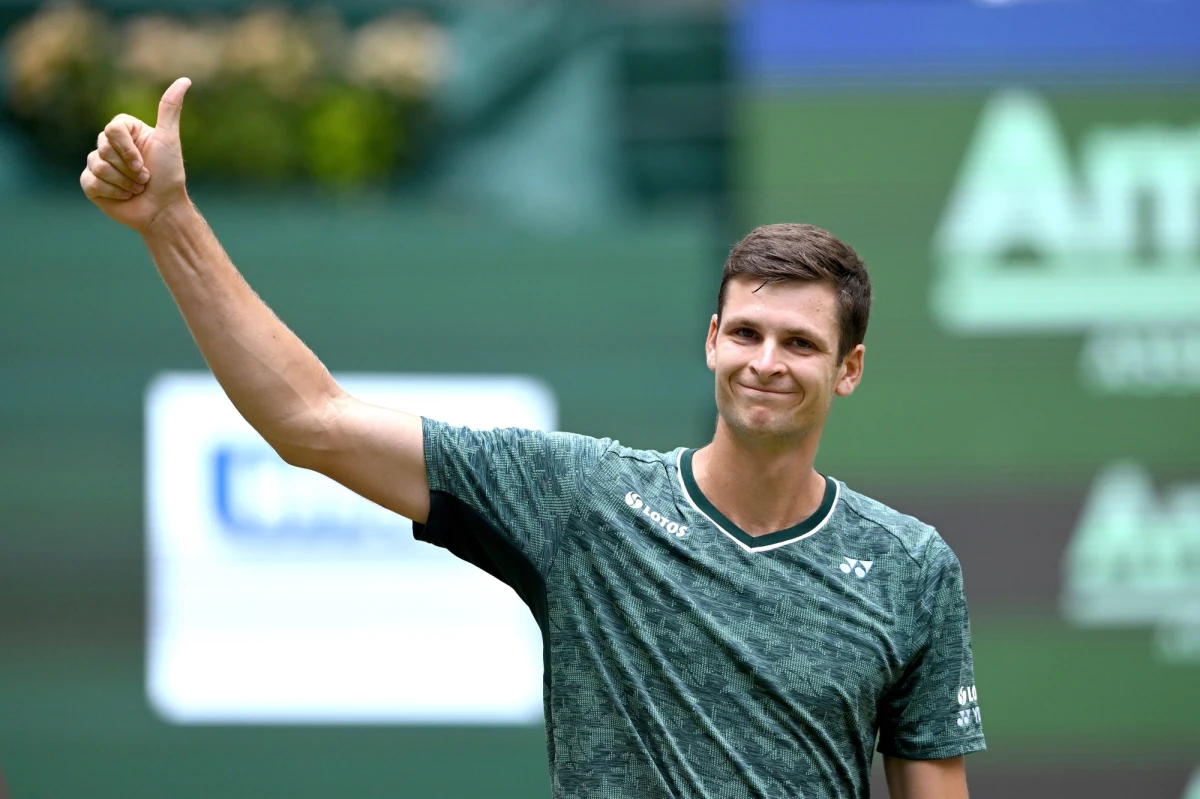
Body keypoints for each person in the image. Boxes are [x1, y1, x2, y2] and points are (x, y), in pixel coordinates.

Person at [81, 78, 985, 799]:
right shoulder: (581, 498)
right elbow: (309, 420)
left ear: (851, 367)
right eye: (746, 332)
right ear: (711, 338)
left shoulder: (910, 566)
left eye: (801, 343)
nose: (766, 361)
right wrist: (171, 224)